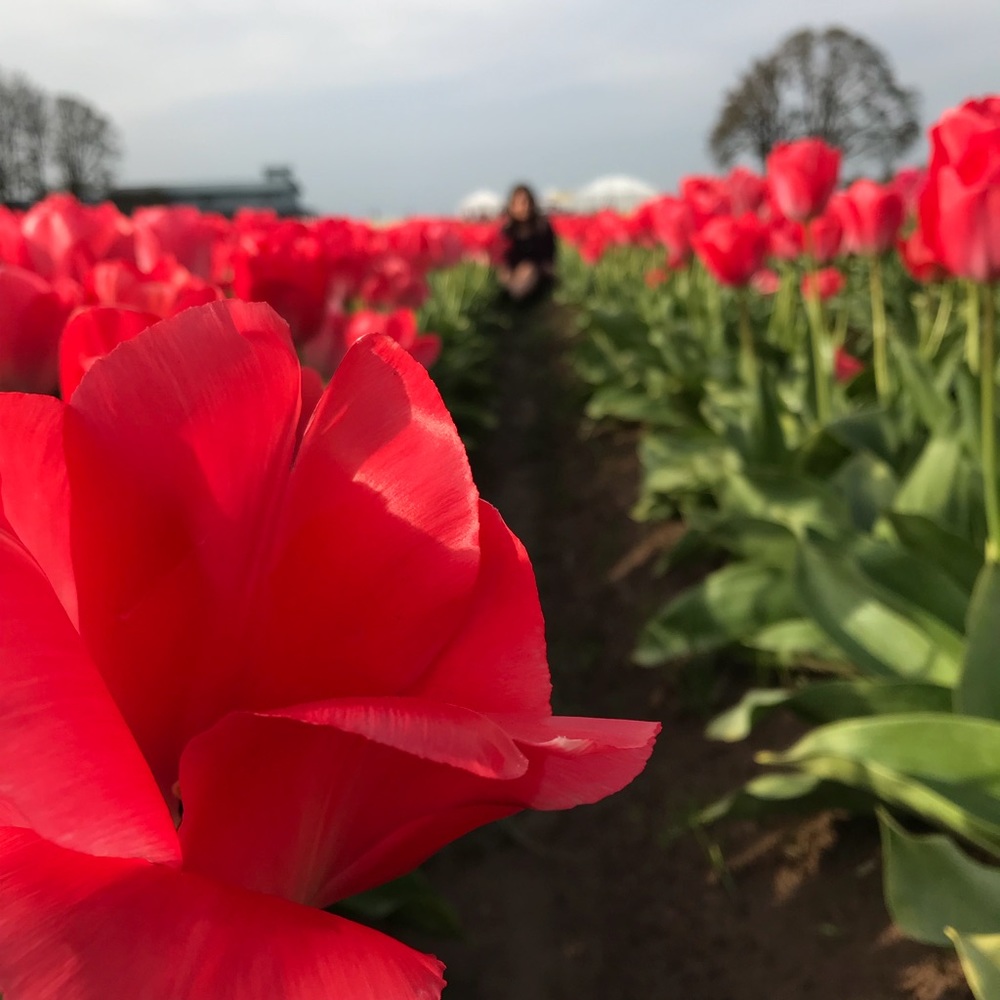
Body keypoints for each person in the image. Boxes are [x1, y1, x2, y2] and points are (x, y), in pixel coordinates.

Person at [497, 183, 556, 304]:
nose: (523, 207)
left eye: (526, 202)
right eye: (518, 203)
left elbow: (550, 258)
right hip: (512, 274)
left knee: (527, 269)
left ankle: (513, 299)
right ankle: (510, 297)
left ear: (532, 204)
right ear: (511, 206)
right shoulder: (506, 232)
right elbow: (502, 258)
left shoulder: (542, 228)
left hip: (538, 275)